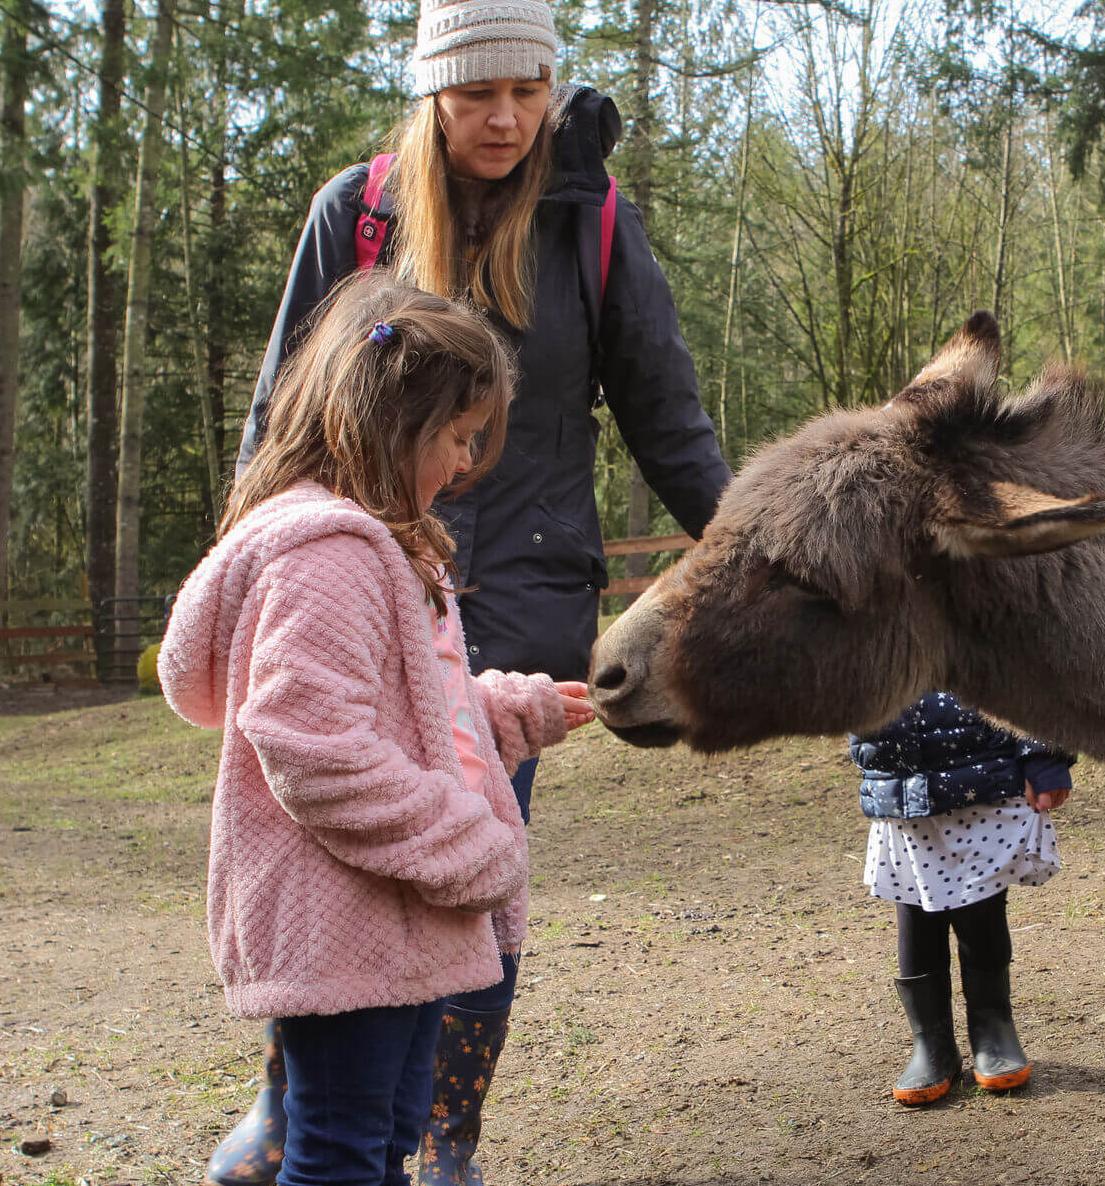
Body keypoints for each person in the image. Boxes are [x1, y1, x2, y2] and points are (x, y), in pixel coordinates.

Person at [215, 0, 732, 1179]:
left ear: (552, 85)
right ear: (432, 91)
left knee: (465, 877)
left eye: (528, 90)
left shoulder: (593, 218)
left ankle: (449, 1135)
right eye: (475, 93)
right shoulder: (356, 215)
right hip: (349, 585)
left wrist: (761, 554)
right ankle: (295, 1100)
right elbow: (279, 415)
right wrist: (245, 564)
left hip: (514, 605)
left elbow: (669, 418)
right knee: (333, 859)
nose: (505, 119)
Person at [160, 274, 595, 1186]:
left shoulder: (381, 543)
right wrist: (462, 842)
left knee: (388, 1128)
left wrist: (508, 711)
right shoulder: (329, 557)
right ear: (386, 423)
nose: (466, 462)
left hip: (390, 919)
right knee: (340, 1149)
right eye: (455, 436)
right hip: (348, 920)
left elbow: (401, 710)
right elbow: (309, 744)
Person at [850, 691, 1075, 1105]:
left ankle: (993, 1031)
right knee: (916, 915)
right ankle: (931, 1043)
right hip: (900, 785)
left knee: (981, 911)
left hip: (981, 779)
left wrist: (1045, 757)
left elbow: (1027, 672)